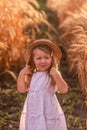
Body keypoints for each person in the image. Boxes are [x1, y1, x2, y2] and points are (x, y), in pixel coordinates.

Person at [17, 39, 68, 130]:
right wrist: (21, 74)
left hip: (48, 109)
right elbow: (21, 89)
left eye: (46, 57)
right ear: (33, 60)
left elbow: (64, 90)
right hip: (34, 109)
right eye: (39, 58)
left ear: (51, 59)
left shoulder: (53, 73)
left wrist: (56, 76)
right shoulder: (32, 74)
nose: (43, 61)